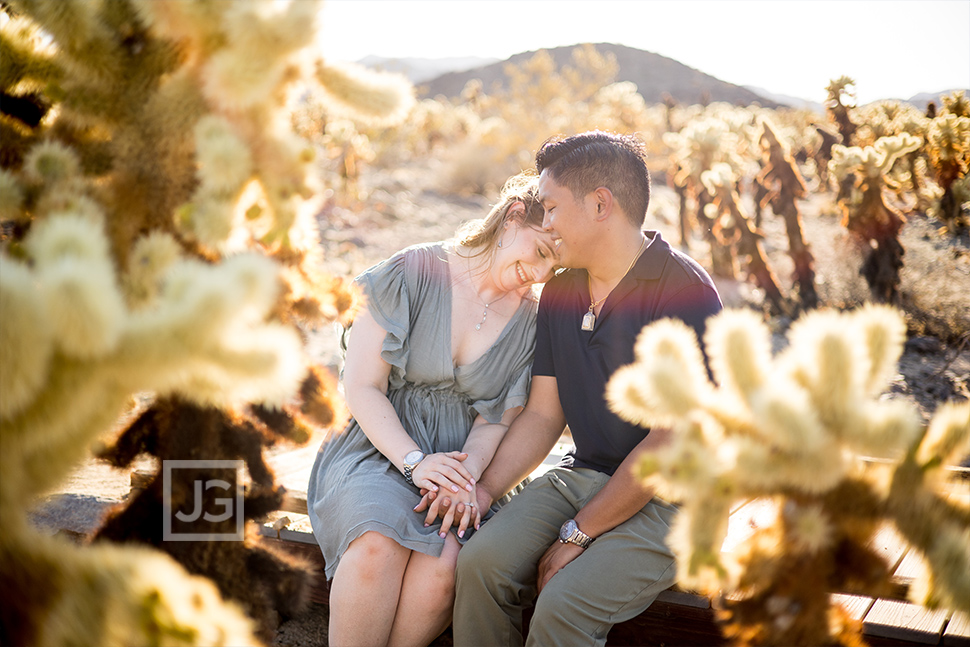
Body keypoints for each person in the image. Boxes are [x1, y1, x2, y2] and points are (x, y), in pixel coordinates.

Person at [445, 131, 724, 646]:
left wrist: (578, 533)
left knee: (563, 603)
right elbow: (544, 416)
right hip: (584, 475)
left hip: (674, 499)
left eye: (551, 208)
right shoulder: (563, 289)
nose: (544, 222)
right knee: (480, 562)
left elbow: (671, 441)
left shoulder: (685, 291)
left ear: (601, 204)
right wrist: (484, 492)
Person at [306, 173, 561, 647]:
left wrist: (465, 480)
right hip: (379, 448)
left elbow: (494, 420)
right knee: (377, 542)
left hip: (461, 463)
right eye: (541, 252)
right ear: (511, 217)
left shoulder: (530, 319)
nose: (542, 274)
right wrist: (416, 462)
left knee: (443, 570)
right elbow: (361, 386)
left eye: (555, 266)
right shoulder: (411, 272)